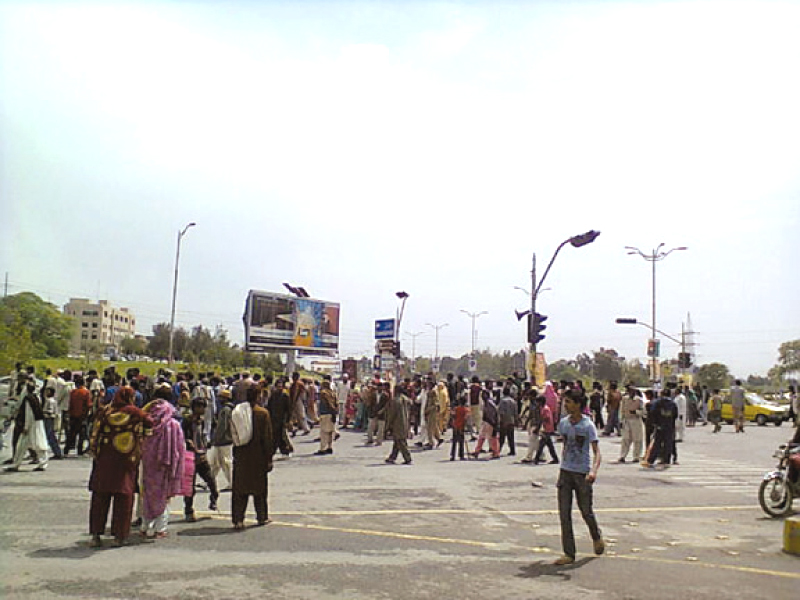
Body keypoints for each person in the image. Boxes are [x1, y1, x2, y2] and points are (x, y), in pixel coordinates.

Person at [87, 387, 152, 547]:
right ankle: (119, 536)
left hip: (104, 461)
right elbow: (150, 423)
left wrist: (96, 453)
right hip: (126, 462)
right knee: (123, 499)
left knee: (100, 499)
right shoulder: (135, 413)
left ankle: (96, 535)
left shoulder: (105, 411)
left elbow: (94, 434)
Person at [553, 389, 604, 565]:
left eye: (568, 402)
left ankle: (596, 535)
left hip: (582, 473)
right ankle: (569, 553)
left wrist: (593, 471)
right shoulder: (564, 424)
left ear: (577, 404)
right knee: (564, 513)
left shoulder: (588, 426)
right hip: (565, 471)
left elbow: (597, 453)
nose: (565, 405)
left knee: (586, 511)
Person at [140, 395, 184, 539]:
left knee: (147, 495)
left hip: (148, 465)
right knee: (162, 496)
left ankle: (145, 526)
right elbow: (179, 449)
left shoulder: (148, 425)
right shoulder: (174, 425)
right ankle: (161, 528)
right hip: (166, 466)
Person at [230, 387, 274, 530]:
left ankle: (238, 520)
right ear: (258, 396)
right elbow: (267, 439)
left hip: (242, 456)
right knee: (259, 490)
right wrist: (269, 458)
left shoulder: (238, 413)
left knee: (239, 490)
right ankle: (262, 517)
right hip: (258, 457)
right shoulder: (263, 414)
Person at [182, 396, 219, 521]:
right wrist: (190, 444)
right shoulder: (187, 420)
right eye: (200, 407)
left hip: (202, 456)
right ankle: (188, 511)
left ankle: (213, 500)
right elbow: (184, 437)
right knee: (190, 488)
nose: (203, 409)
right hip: (190, 457)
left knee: (212, 483)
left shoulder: (201, 421)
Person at [4, 377, 49, 472]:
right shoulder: (36, 397)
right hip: (36, 424)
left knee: (33, 445)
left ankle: (17, 464)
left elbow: (29, 414)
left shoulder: (28, 399)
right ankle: (41, 463)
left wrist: (26, 426)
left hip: (31, 425)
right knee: (33, 444)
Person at [208, 388, 235, 489]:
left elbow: (222, 427)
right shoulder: (228, 409)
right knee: (215, 463)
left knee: (226, 463)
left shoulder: (225, 410)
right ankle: (209, 480)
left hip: (224, 441)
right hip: (222, 440)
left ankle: (232, 483)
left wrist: (215, 439)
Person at [385, 383, 413, 465]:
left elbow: (392, 414)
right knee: (397, 441)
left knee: (401, 441)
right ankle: (392, 457)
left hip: (398, 423)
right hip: (406, 421)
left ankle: (408, 458)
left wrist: (388, 425)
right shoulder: (406, 399)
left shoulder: (395, 400)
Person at [471, 389, 500, 459]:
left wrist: (494, 424)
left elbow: (493, 414)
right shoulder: (487, 402)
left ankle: (496, 453)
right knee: (482, 437)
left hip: (490, 422)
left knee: (492, 438)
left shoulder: (489, 403)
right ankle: (477, 451)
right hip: (486, 422)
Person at [618, 386, 644, 463]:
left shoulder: (639, 400)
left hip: (636, 421)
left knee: (637, 440)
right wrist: (621, 421)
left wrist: (636, 412)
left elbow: (643, 412)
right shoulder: (624, 399)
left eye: (632, 391)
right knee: (625, 439)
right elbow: (621, 410)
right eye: (629, 391)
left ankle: (636, 457)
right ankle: (622, 456)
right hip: (627, 420)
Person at [533, 395, 559, 465]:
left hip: (547, 429)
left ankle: (536, 459)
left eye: (537, 402)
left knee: (541, 445)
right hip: (546, 428)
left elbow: (546, 418)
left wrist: (538, 427)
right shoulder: (543, 408)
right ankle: (555, 458)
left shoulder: (545, 409)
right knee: (549, 445)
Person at [315, 376, 338, 455]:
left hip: (325, 413)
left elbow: (328, 403)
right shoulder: (333, 393)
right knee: (330, 432)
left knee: (324, 432)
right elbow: (336, 403)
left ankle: (322, 448)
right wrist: (335, 412)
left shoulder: (324, 393)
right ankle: (329, 447)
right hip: (332, 413)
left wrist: (331, 410)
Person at [42, 386, 64, 460]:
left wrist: (42, 412)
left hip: (49, 419)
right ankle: (57, 452)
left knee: (50, 436)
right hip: (50, 419)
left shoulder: (50, 401)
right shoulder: (52, 400)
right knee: (51, 436)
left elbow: (50, 411)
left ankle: (57, 453)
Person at [497, 387, 518, 456]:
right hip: (511, 421)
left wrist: (501, 421)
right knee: (511, 437)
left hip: (504, 420)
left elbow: (501, 412)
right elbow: (515, 413)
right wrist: (516, 421)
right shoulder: (513, 401)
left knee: (502, 437)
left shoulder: (502, 401)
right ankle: (512, 450)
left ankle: (497, 450)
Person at [450, 396, 469, 461]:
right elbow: (466, 419)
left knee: (454, 442)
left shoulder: (456, 409)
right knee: (461, 442)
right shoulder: (466, 410)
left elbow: (452, 415)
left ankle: (452, 455)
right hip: (461, 427)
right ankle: (461, 455)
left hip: (455, 426)